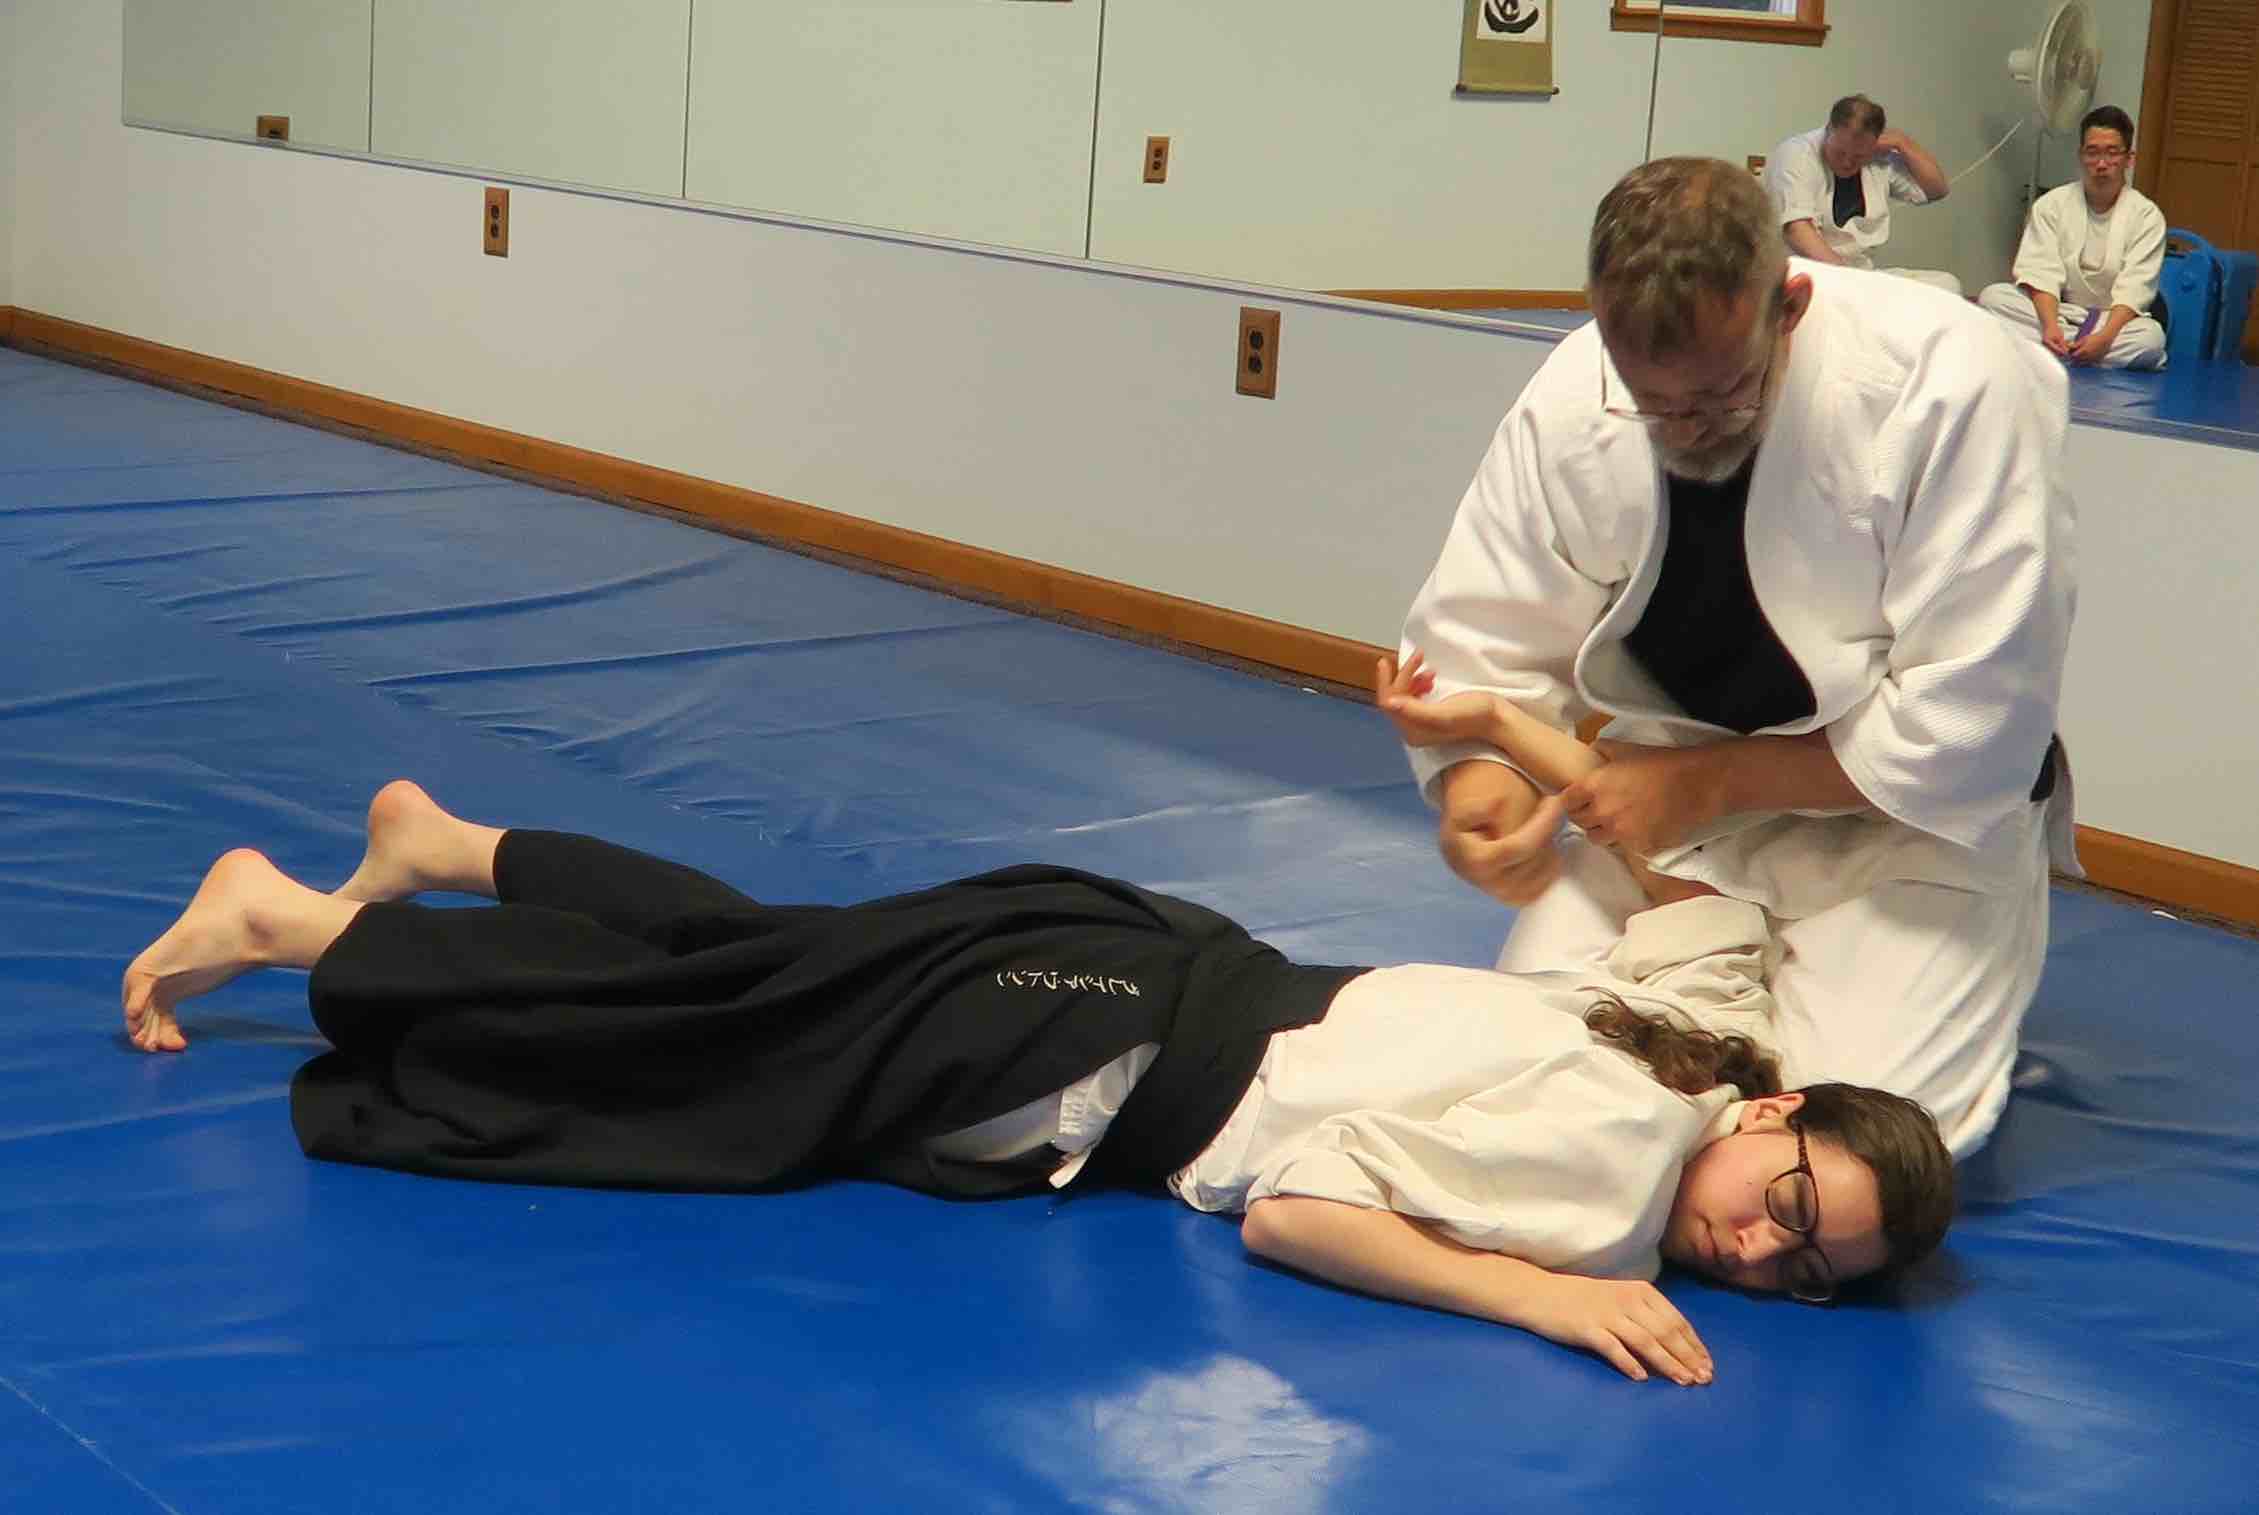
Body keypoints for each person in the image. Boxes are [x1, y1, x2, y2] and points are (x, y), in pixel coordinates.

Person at [121, 776, 1956, 1387]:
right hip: (1099, 1034)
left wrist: (1518, 746)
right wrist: (1549, 1297)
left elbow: (1697, 889)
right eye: (1789, 1208)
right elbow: (1296, 1216)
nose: (1761, 1253)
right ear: (1777, 1123)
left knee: (769, 955)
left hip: (1131, 953)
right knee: (696, 1065)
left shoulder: (1709, 1041)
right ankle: (290, 925)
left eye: (1807, 1269)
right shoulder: (1616, 1180)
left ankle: (446, 840)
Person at [1398, 155, 2076, 1161]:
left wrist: (1709, 782)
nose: (1683, 432)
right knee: (1526, 1082)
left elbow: (1973, 729)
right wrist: (1478, 792)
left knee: (1846, 1142)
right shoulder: (1575, 391)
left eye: (1717, 397)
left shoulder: (1948, 385)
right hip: (1666, 820)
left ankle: (1941, 1000)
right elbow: (1484, 638)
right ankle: (1713, 950)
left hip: (1903, 822)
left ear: (1789, 306)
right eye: (1650, 403)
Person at [1978, 106, 2167, 370]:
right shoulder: (2051, 205)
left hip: (2111, 322)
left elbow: (2135, 289)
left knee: (2150, 339)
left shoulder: (2147, 216)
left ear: (2129, 159)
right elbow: (2040, 272)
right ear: (2081, 155)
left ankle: (2049, 350)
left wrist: (2104, 338)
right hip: (2058, 313)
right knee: (1993, 298)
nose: (2101, 164)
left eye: (2112, 153)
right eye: (2092, 152)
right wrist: (2050, 325)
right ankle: (2068, 348)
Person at [1764, 95, 1961, 295]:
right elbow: (1796, 230)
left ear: (1874, 144)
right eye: (1840, 152)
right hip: (1805, 274)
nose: (1848, 162)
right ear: (1829, 130)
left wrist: (1903, 143)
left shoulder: (1879, 158)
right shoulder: (1796, 154)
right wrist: (1850, 280)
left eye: (1859, 156)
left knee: (1947, 285)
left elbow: (1937, 189)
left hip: (1858, 275)